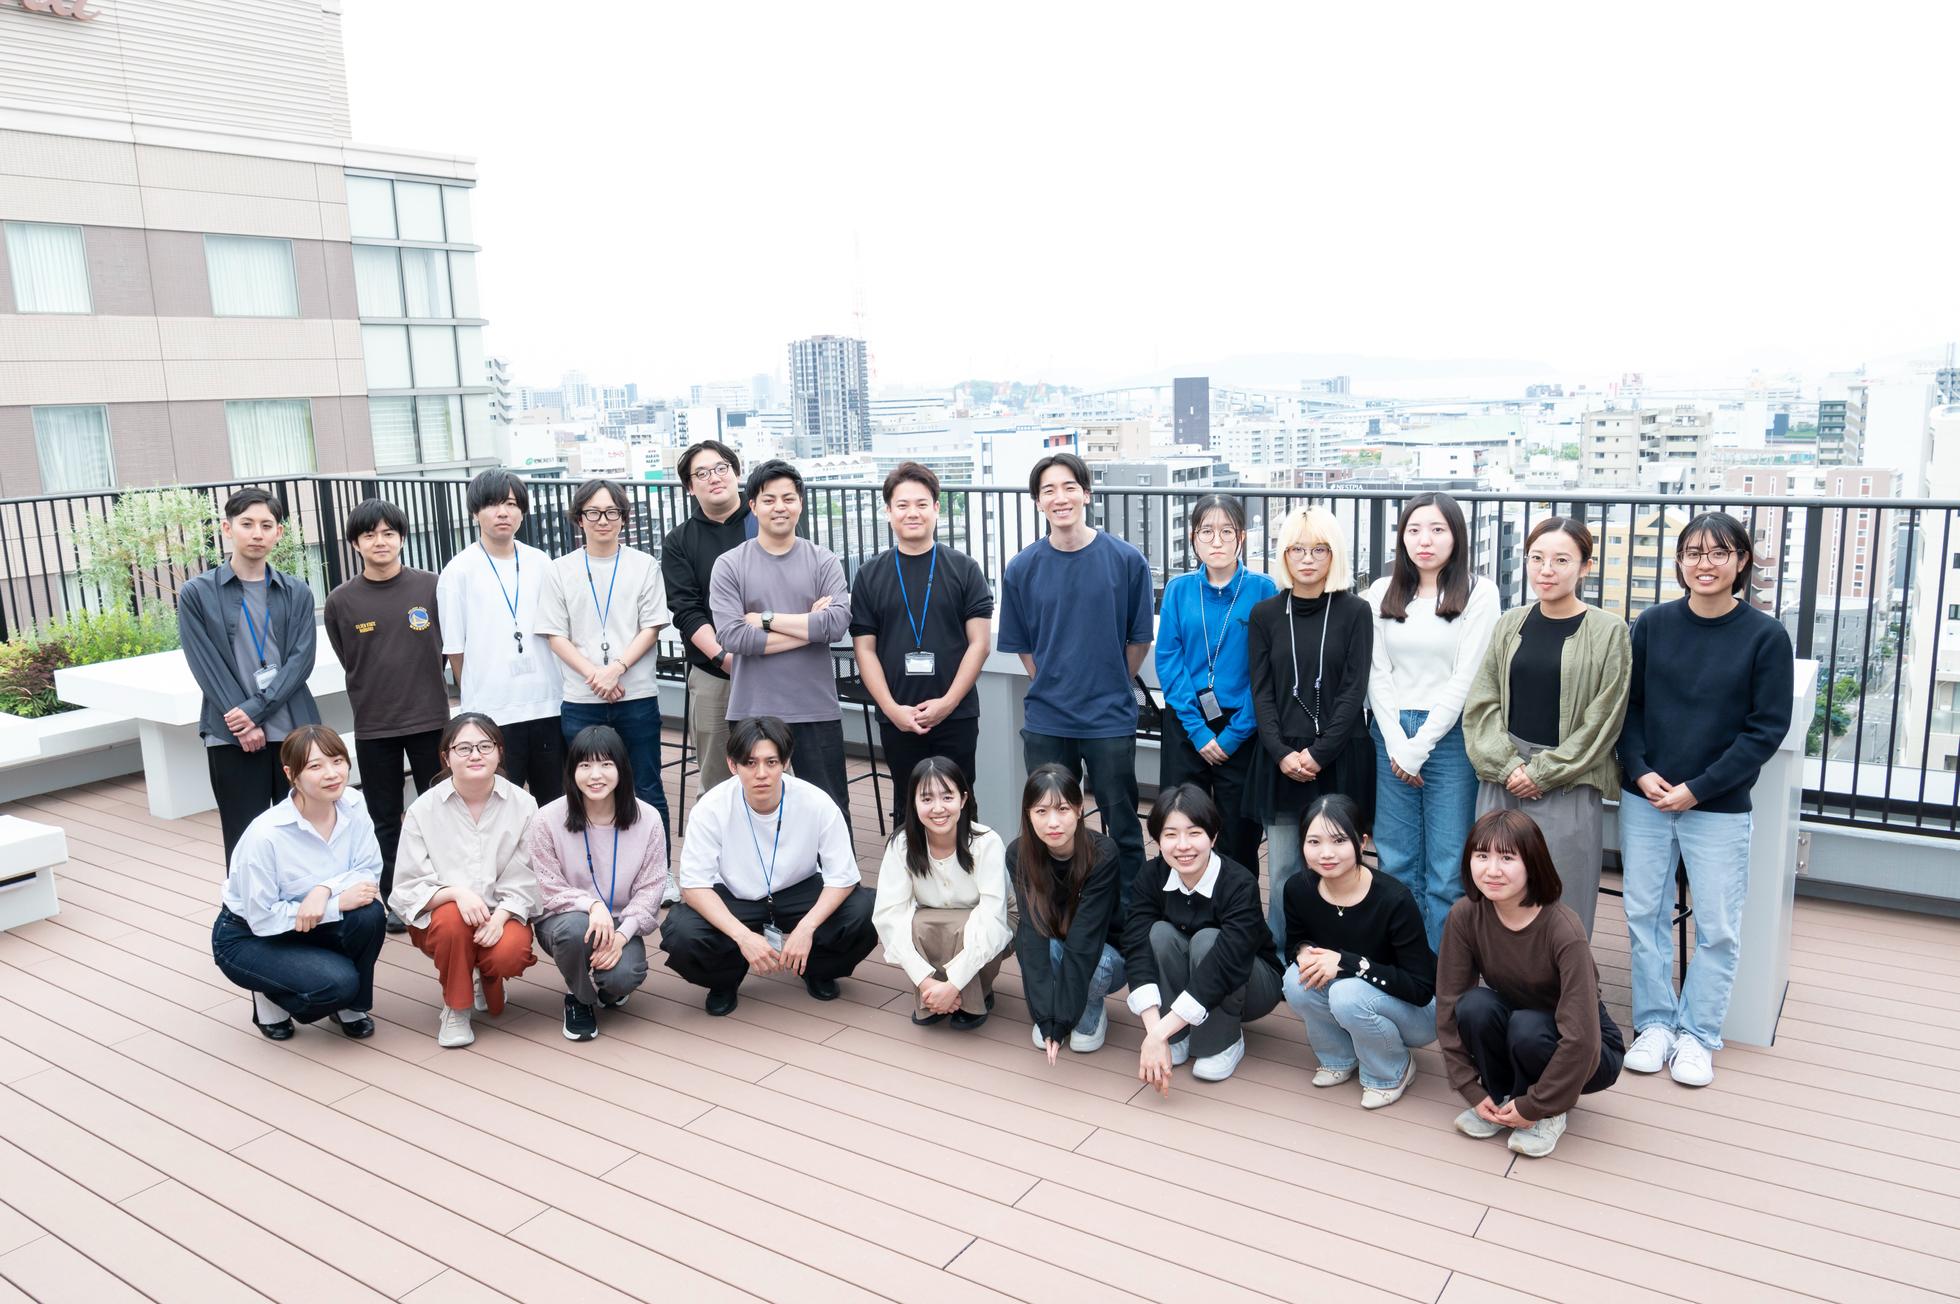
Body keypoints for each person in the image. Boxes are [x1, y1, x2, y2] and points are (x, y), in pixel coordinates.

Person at [1617, 510, 1794, 1088]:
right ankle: (1654, 1025)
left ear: (1742, 561)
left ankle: (1697, 1036)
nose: (1705, 563)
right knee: (1644, 916)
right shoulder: (1653, 624)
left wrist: (1698, 788)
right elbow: (1630, 708)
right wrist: (1640, 771)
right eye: (1694, 552)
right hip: (1646, 799)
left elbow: (1765, 731)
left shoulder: (1765, 636)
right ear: (1680, 561)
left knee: (1717, 926)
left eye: (1720, 553)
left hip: (1715, 806)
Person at [998, 452, 1154, 905]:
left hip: (1109, 717)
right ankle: (1058, 912)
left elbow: (1139, 640)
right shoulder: (1022, 567)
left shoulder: (1126, 560)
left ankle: (1130, 916)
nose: (1060, 497)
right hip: (1048, 718)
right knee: (1049, 823)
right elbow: (1024, 646)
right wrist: (1052, 680)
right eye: (1048, 490)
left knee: (1122, 823)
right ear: (1037, 501)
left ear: (1087, 494)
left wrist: (1110, 680)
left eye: (1069, 487)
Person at [1463, 516, 1630, 938]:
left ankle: (1566, 978)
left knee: (1565, 893)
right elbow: (1482, 702)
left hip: (1569, 778)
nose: (1546, 570)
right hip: (1504, 773)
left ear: (1585, 566)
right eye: (1536, 558)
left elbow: (1604, 719)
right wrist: (1509, 766)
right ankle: (1497, 975)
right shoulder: (1510, 622)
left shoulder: (1609, 631)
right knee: (1494, 887)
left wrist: (1542, 772)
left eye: (1561, 560)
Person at [1436, 810, 1625, 1159]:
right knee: (1473, 1006)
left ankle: (1547, 1112)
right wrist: (1471, 1089)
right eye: (1482, 856)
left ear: (1532, 862)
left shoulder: (1563, 928)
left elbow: (1582, 1038)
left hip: (1592, 1050)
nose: (1492, 870)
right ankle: (1499, 1098)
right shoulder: (1465, 915)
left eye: (1507, 858)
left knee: (1527, 1027)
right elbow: (1448, 1005)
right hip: (1523, 1025)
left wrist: (1537, 1105)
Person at [660, 716, 877, 1015]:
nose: (761, 773)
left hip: (799, 887)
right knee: (681, 931)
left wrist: (807, 928)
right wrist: (743, 937)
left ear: (785, 762)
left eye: (771, 762)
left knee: (866, 910)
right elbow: (694, 886)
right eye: (750, 763)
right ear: (733, 765)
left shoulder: (816, 802)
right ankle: (725, 979)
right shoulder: (710, 808)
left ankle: (816, 968)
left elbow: (843, 876)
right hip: (735, 894)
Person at [1366, 492, 1500, 949]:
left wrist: (1418, 746)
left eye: (1438, 529)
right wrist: (1397, 743)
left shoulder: (1480, 593)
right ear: (1402, 537)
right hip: (1389, 734)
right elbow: (1377, 674)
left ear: (1456, 536)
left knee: (1448, 868)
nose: (1425, 540)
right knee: (1396, 862)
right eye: (1415, 530)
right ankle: (1405, 966)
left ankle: (1446, 973)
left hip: (1451, 736)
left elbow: (1467, 677)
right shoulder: (1380, 591)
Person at [1246, 506, 1374, 954]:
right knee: (1284, 868)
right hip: (1280, 757)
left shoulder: (1356, 612)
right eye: (1297, 549)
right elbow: (1261, 692)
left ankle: (1342, 953)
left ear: (1334, 554)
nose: (1307, 559)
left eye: (1319, 549)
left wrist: (1319, 753)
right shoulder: (1264, 614)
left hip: (1339, 754)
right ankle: (1283, 956)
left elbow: (1354, 691)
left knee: (1341, 864)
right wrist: (1281, 752)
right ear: (1283, 554)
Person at [323, 496, 449, 933]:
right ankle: (397, 897)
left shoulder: (431, 587)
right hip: (374, 724)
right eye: (369, 534)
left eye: (389, 533)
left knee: (439, 810)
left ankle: (444, 889)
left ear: (402, 538)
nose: (380, 541)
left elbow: (446, 647)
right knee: (384, 816)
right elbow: (349, 657)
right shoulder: (341, 601)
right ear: (355, 543)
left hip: (431, 719)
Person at [210, 724, 382, 1041]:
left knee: (368, 915)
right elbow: (262, 918)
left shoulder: (353, 803)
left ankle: (349, 1007)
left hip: (308, 922)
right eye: (315, 766)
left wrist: (323, 890)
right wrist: (334, 905)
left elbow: (368, 870)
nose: (331, 774)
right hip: (250, 934)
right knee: (338, 984)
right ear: (291, 773)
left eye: (337, 761)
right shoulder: (266, 835)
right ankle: (269, 992)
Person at [178, 487, 321, 866]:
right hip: (231, 735)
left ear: (279, 533)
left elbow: (301, 661)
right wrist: (244, 722)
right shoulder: (197, 593)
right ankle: (249, 906)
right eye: (247, 524)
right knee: (245, 840)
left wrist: (255, 710)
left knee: (304, 834)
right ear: (227, 529)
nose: (257, 533)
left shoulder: (297, 592)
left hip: (293, 733)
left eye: (266, 525)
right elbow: (205, 663)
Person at [849, 462, 995, 823]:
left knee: (960, 802)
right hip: (897, 716)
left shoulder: (964, 568)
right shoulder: (869, 575)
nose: (912, 513)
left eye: (921, 504)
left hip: (956, 714)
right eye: (902, 505)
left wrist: (948, 702)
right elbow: (864, 650)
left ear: (936, 509)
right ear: (888, 512)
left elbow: (979, 644)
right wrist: (891, 709)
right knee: (908, 805)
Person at [709, 461, 854, 819]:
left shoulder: (823, 560)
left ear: (800, 503)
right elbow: (733, 636)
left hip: (815, 707)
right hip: (752, 710)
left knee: (830, 810)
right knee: (755, 812)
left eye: (788, 498)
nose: (780, 507)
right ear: (753, 505)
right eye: (769, 499)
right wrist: (810, 629)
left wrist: (766, 620)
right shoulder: (729, 564)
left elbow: (836, 625)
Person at [389, 712, 542, 1048]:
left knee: (509, 952)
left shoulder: (523, 805)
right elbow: (407, 887)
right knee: (452, 920)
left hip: (500, 913)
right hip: (442, 919)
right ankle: (456, 1008)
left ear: (499, 752)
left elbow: (528, 876)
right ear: (446, 757)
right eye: (464, 748)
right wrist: (456, 894)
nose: (475, 755)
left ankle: (486, 974)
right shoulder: (423, 810)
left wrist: (500, 917)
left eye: (485, 746)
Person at [1280, 794, 1436, 1109]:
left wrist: (1348, 963)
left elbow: (1420, 989)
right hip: (1354, 994)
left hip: (1417, 1011)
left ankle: (1391, 1070)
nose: (1326, 853)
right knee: (1295, 979)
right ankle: (1339, 1056)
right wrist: (1304, 952)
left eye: (1339, 840)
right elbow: (1296, 942)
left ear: (1362, 842)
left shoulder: (1394, 899)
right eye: (1314, 841)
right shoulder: (1298, 888)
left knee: (1347, 993)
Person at [1122, 784, 1282, 1090]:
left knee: (1209, 940)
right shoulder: (1151, 876)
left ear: (1213, 835)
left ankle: (1222, 1042)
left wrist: (1155, 1036)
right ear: (1158, 840)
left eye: (1194, 833)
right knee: (1157, 934)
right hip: (1193, 983)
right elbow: (1137, 947)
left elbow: (1227, 961)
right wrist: (1158, 1032)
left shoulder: (1238, 883)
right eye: (1171, 835)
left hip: (1252, 984)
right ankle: (1178, 1034)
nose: (1183, 846)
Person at [536, 477, 672, 834]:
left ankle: (658, 864)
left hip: (636, 694)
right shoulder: (559, 569)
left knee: (646, 787)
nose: (602, 520)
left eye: (612, 512)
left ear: (623, 518)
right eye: (593, 512)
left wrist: (617, 669)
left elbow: (652, 627)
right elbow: (555, 635)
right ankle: (592, 862)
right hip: (582, 698)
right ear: (579, 518)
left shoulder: (644, 565)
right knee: (586, 790)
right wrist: (597, 675)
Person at [1154, 494, 1278, 871]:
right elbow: (1169, 660)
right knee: (1181, 824)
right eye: (1207, 531)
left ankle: (1237, 905)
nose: (1217, 541)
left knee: (1240, 835)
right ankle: (1181, 902)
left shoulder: (1263, 589)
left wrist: (1233, 735)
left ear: (1241, 537)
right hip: (1187, 722)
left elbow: (1267, 671)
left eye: (1227, 531)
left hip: (1243, 725)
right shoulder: (1179, 589)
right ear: (1194, 538)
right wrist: (1197, 729)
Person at [528, 725, 668, 1041]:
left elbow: (651, 888)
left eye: (606, 764)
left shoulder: (648, 819)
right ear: (571, 770)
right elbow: (548, 887)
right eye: (585, 765)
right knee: (576, 929)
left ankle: (609, 988)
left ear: (622, 768)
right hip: (566, 919)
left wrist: (621, 935)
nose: (595, 775)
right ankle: (579, 998)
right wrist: (591, 906)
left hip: (620, 921)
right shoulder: (547, 819)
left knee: (624, 976)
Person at [436, 469, 564, 802]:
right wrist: (475, 702)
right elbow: (455, 649)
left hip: (548, 704)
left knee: (554, 801)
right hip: (492, 713)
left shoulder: (541, 562)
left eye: (511, 504)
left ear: (522, 512)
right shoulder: (458, 571)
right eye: (493, 504)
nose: (503, 512)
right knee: (499, 804)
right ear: (475, 513)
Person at [871, 755, 1014, 1030]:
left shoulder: (987, 843)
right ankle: (935, 995)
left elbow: (992, 921)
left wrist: (954, 984)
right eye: (926, 799)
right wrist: (925, 982)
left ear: (963, 799)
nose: (938, 808)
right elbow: (888, 916)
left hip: (991, 920)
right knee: (916, 924)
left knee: (972, 924)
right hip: (933, 922)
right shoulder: (901, 845)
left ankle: (972, 996)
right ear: (913, 803)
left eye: (947, 797)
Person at [1007, 763, 1124, 1059]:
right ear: (1028, 814)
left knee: (1097, 962)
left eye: (1062, 809)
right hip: (1054, 943)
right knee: (1034, 942)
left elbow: (1086, 938)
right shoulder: (1018, 854)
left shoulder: (1103, 853)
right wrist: (1045, 1017)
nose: (1053, 823)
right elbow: (1032, 932)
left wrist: (1061, 1022)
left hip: (1105, 951)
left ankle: (1090, 1010)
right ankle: (1056, 1006)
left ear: (1080, 810)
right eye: (1041, 811)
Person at [661, 439, 756, 800]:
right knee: (717, 781)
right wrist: (723, 657)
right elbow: (686, 610)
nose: (714, 478)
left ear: (736, 473)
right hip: (714, 671)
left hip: (773, 668)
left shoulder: (764, 521)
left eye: (721, 468)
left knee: (779, 774)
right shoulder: (679, 541)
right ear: (690, 487)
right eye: (701, 474)